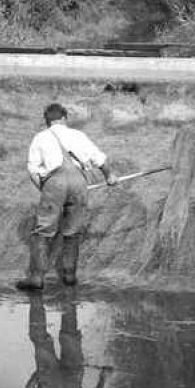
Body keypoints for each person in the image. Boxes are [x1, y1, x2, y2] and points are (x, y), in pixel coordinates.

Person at [17, 103, 118, 290]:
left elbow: (32, 170)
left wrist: (45, 189)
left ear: (47, 121)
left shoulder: (40, 137)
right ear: (64, 118)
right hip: (79, 184)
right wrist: (109, 176)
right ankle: (69, 276)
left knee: (43, 231)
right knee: (72, 231)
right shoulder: (78, 135)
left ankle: (36, 278)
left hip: (54, 183)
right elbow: (99, 159)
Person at [23, 289, 112, 388]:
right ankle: (36, 297)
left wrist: (104, 376)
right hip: (51, 386)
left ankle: (69, 291)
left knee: (70, 335)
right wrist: (40, 372)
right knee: (41, 341)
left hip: (72, 385)